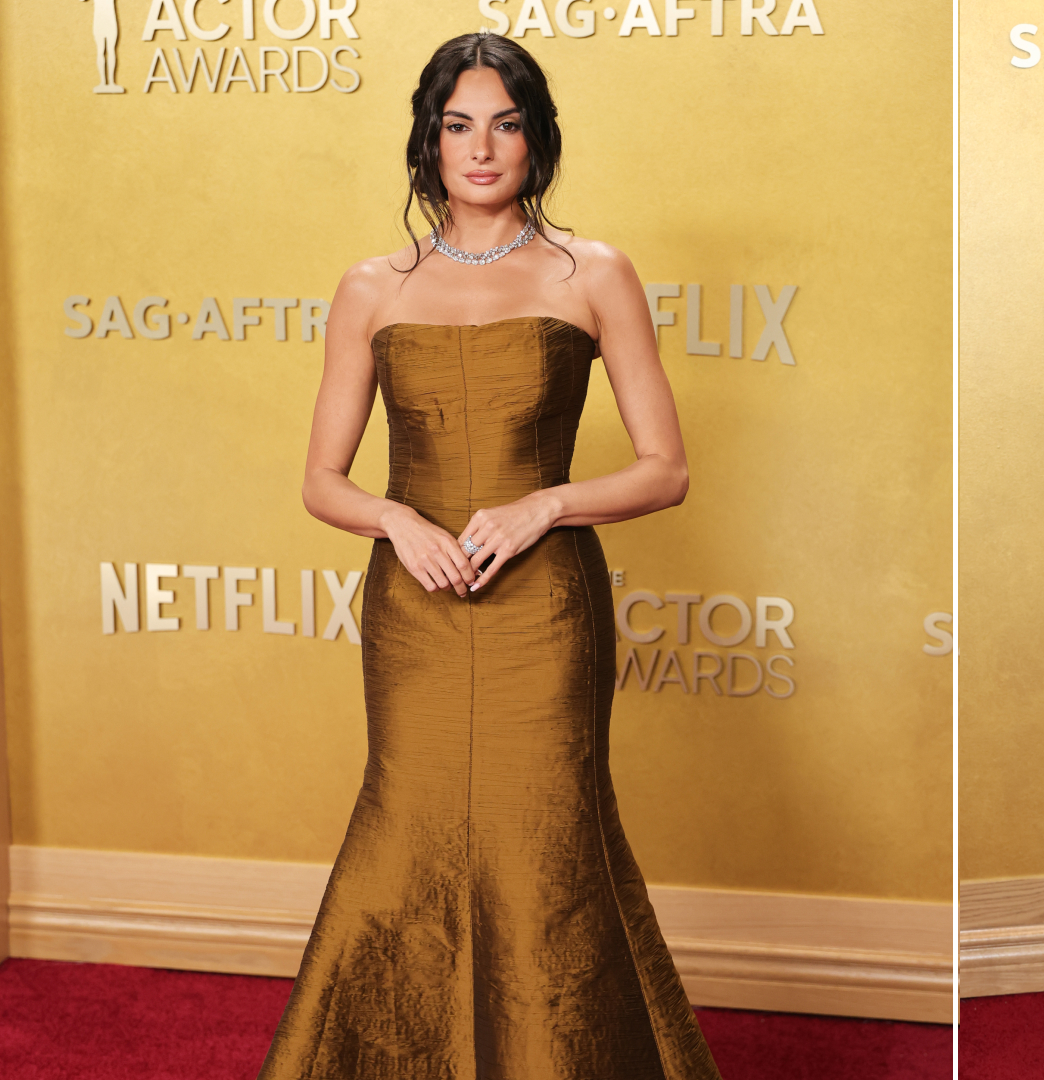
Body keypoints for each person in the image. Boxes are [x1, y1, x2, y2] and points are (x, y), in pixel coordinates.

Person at [259, 33, 722, 1080]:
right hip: (414, 613)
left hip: (545, 614)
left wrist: (545, 506)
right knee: (404, 837)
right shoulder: (371, 287)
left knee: (544, 847)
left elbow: (666, 470)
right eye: (459, 124)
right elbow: (320, 482)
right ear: (427, 142)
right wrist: (397, 521)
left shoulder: (592, 272)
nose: (482, 148)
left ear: (537, 139)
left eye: (506, 123)